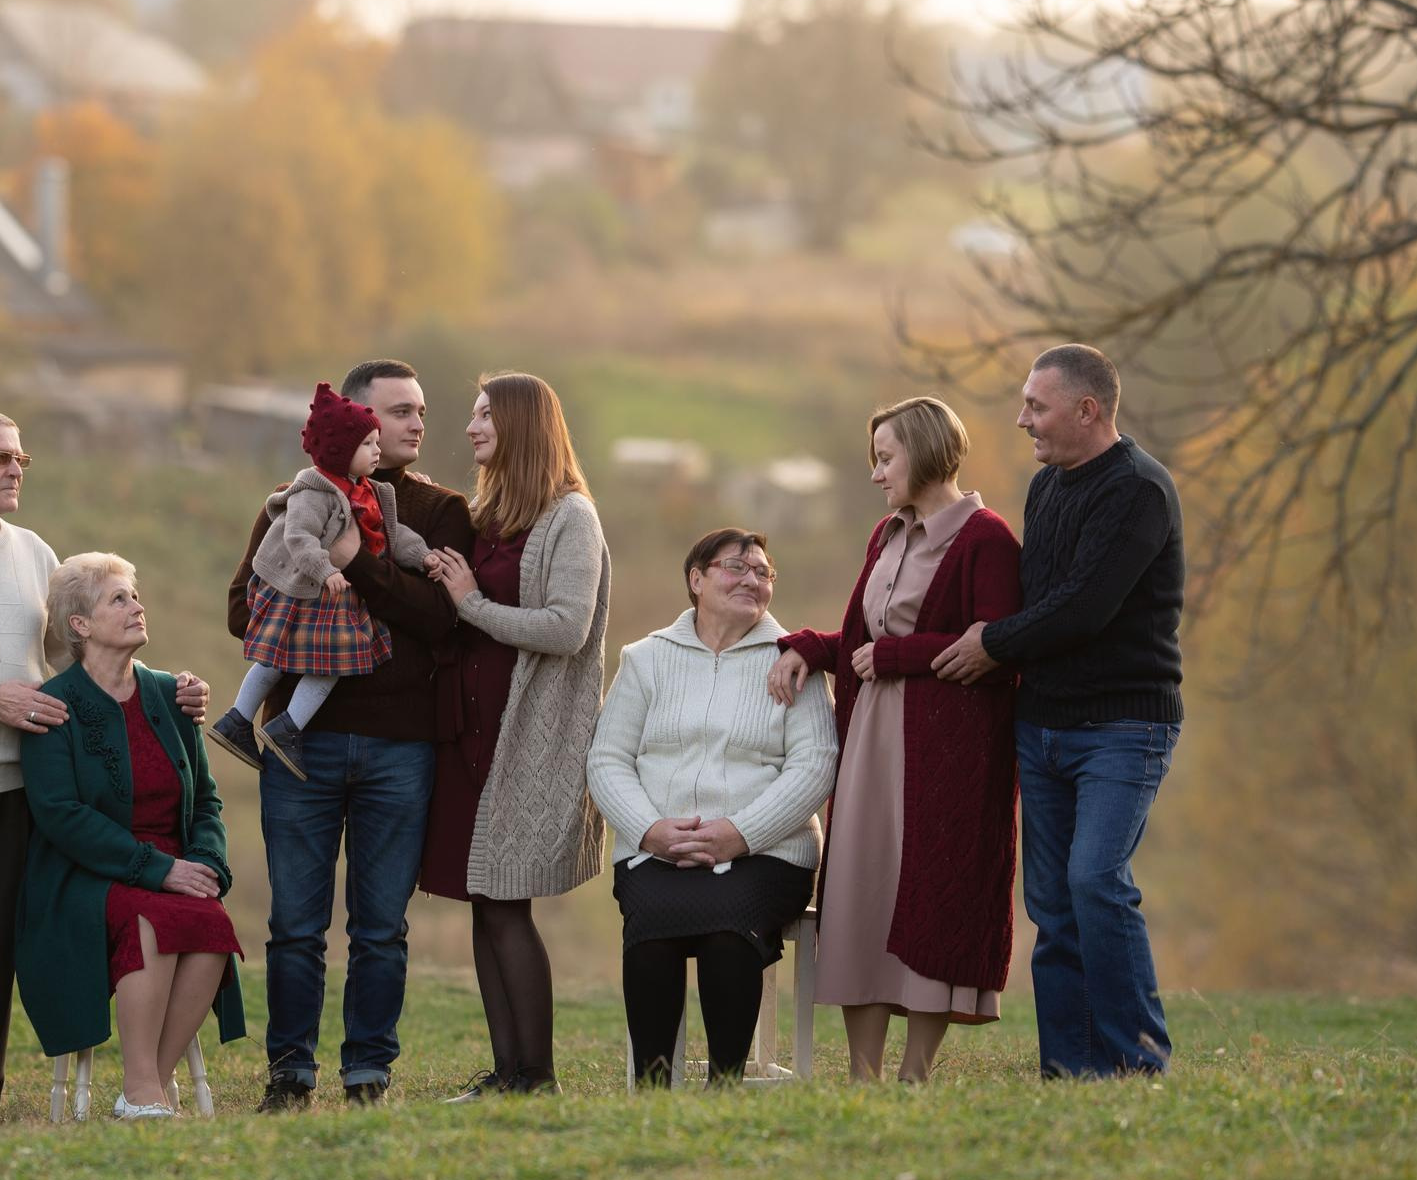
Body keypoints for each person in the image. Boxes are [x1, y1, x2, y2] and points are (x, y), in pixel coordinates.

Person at [0, 407, 208, 1121]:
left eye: (21, 458)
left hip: (19, 784)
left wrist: (170, 688)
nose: (17, 469)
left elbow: (80, 661)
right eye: (0, 458)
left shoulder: (35, 553)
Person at [225, 359, 474, 1111]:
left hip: (402, 747)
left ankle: (368, 1072)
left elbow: (441, 622)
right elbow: (244, 609)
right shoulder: (299, 497)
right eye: (398, 411)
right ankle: (289, 1074)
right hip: (302, 746)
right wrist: (325, 587)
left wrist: (356, 565)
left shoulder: (439, 509)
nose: (416, 423)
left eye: (421, 410)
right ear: (359, 422)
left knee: (380, 928)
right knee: (295, 924)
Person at [930, 347, 1185, 1078]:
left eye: (1036, 407)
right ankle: (1071, 1068)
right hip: (1042, 724)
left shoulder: (1138, 492)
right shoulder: (1047, 487)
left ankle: (1136, 1061)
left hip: (1121, 726)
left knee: (1095, 880)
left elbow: (1083, 607)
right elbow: (1036, 595)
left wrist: (991, 644)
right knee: (1051, 900)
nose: (1022, 419)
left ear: (1088, 410)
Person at [772, 397, 1022, 1084]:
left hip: (951, 755)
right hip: (872, 742)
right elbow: (863, 641)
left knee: (932, 893)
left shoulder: (987, 539)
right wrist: (807, 645)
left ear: (927, 451)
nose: (877, 473)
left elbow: (1001, 648)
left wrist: (899, 659)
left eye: (887, 457)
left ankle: (914, 1073)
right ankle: (863, 1074)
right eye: (873, 459)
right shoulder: (884, 534)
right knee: (861, 892)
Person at [418, 372, 610, 1098]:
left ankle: (538, 1074)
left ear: (522, 425)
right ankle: (507, 1072)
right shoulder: (493, 513)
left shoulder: (570, 517)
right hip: (470, 738)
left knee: (508, 903)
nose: (471, 428)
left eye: (484, 416)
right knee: (485, 898)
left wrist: (470, 603)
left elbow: (567, 626)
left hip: (526, 740)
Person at [589, 529, 836, 1086]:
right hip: (658, 849)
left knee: (730, 933)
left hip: (768, 854)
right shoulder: (646, 659)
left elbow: (815, 765)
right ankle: (653, 1088)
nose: (752, 579)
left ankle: (723, 1087)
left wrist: (741, 834)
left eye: (764, 571)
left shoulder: (794, 661)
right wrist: (650, 830)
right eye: (736, 567)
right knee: (651, 928)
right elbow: (607, 759)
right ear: (696, 579)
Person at [18, 554, 245, 1120]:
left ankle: (146, 1085)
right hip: (85, 876)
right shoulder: (55, 703)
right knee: (150, 916)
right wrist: (158, 869)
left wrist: (207, 863)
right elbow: (61, 814)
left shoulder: (172, 694)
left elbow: (207, 801)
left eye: (134, 596)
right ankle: (144, 1086)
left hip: (174, 866)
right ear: (80, 625)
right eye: (118, 599)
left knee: (212, 923)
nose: (136, 606)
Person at [210, 382, 431, 780]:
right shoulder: (314, 491)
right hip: (304, 592)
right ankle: (263, 723)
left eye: (377, 442)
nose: (377, 451)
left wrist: (423, 554)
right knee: (301, 661)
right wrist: (326, 570)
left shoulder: (367, 492)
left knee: (297, 661)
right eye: (368, 444)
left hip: (327, 597)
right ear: (341, 452)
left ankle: (249, 721)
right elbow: (298, 537)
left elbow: (394, 536)